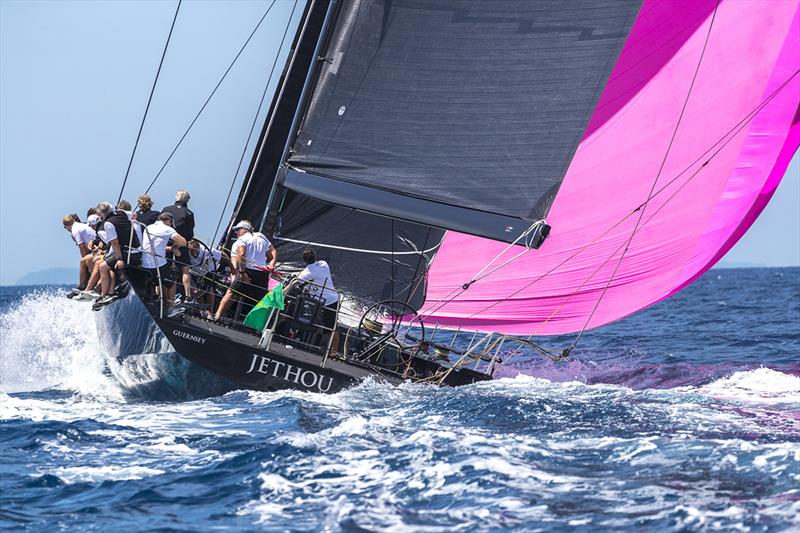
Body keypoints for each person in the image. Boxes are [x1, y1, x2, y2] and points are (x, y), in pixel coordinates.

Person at [214, 220, 276, 320]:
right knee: (261, 301)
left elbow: (241, 254)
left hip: (248, 271)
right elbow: (270, 255)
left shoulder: (242, 240)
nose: (236, 232)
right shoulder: (262, 239)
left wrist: (242, 273)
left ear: (244, 229)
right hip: (262, 273)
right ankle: (259, 327)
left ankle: (217, 315)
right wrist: (268, 264)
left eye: (237, 229)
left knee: (230, 293)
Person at [285, 247, 340, 354]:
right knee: (332, 328)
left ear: (304, 260)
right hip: (333, 299)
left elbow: (295, 283)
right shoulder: (324, 264)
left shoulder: (307, 273)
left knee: (301, 318)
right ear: (315, 256)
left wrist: (282, 292)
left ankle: (293, 339)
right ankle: (335, 353)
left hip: (326, 302)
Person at [93, 201, 142, 310]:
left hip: (128, 254)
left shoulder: (108, 223)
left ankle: (105, 295)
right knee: (105, 263)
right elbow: (134, 215)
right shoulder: (121, 213)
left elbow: (115, 243)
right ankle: (108, 291)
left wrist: (119, 259)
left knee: (103, 266)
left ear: (101, 215)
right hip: (137, 250)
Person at [141, 212, 186, 304]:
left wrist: (170, 249)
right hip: (157, 265)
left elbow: (155, 246)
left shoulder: (149, 227)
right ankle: (170, 305)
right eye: (170, 223)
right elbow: (183, 242)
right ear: (169, 221)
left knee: (163, 279)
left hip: (144, 264)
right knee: (172, 281)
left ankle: (163, 302)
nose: (170, 225)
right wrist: (175, 246)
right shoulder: (167, 229)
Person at [161, 190, 195, 301]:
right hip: (182, 242)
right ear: (187, 200)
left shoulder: (166, 209)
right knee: (185, 269)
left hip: (167, 242)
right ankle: (188, 296)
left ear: (176, 197)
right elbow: (190, 233)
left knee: (163, 267)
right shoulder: (189, 213)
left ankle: (161, 295)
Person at [62, 214, 96, 297]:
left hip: (98, 247)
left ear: (66, 226)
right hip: (95, 246)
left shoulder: (75, 230)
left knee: (83, 262)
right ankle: (87, 285)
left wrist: (85, 260)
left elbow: (81, 247)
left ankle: (82, 286)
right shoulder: (80, 225)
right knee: (86, 261)